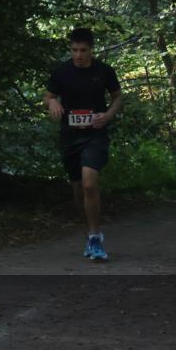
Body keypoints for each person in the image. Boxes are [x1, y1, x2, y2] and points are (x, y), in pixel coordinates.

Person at [44, 27, 122, 261]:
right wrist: (53, 103)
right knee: (78, 189)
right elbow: (48, 95)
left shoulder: (104, 71)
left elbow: (117, 96)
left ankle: (95, 237)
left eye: (83, 50)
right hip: (70, 137)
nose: (78, 55)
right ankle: (89, 232)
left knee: (89, 183)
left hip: (95, 134)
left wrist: (108, 115)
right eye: (74, 50)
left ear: (91, 49)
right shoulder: (62, 72)